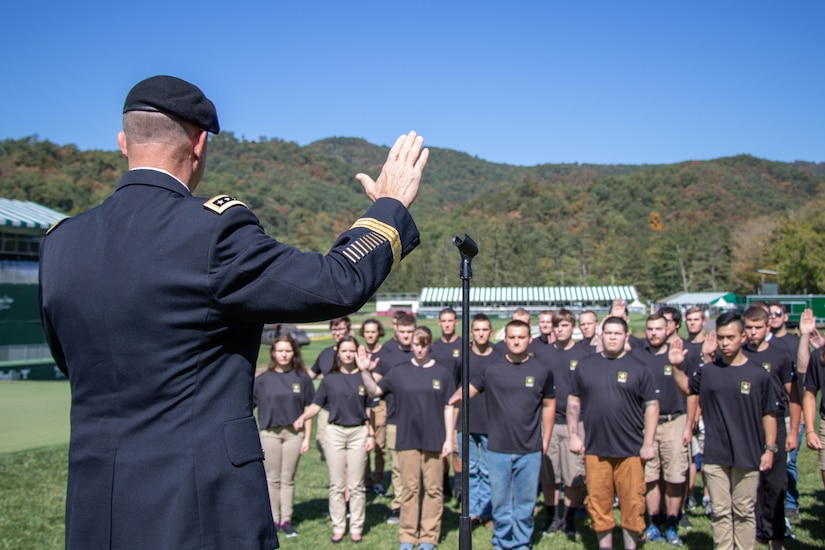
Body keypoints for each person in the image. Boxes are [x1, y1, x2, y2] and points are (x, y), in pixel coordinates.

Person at [38, 75, 429, 550]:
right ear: (199, 144)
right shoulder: (210, 231)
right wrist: (388, 208)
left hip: (97, 506)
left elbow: (70, 359)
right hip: (199, 507)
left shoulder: (60, 243)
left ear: (124, 142)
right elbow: (335, 283)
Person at [670, 312, 778, 550]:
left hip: (747, 454)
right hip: (715, 455)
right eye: (721, 338)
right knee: (720, 512)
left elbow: (769, 414)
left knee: (743, 511)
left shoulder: (758, 375)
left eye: (730, 337)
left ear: (742, 337)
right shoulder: (709, 371)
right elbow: (688, 388)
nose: (725, 343)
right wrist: (676, 367)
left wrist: (769, 449)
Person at [451, 320, 556, 550]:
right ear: (505, 339)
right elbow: (471, 388)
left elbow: (549, 405)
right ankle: (501, 541)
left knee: (525, 503)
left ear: (529, 339)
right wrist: (454, 397)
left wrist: (545, 440)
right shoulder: (492, 369)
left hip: (529, 449)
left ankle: (521, 543)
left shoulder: (541, 370)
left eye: (521, 337)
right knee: (500, 502)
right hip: (497, 448)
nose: (517, 341)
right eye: (512, 337)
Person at [568, 316, 659, 550]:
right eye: (608, 333)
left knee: (633, 503)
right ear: (601, 335)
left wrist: (648, 443)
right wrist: (574, 435)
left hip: (630, 449)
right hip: (596, 449)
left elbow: (651, 405)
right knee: (598, 503)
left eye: (618, 334)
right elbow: (573, 400)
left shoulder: (639, 368)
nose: (612, 337)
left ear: (626, 337)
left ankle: (631, 546)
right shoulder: (586, 365)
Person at [359, 327, 455, 550]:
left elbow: (449, 407)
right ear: (410, 345)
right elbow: (374, 391)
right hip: (407, 439)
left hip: (434, 438)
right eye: (416, 344)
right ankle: (408, 536)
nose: (420, 349)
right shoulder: (399, 372)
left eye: (424, 344)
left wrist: (449, 439)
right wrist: (364, 371)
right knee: (409, 488)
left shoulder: (442, 373)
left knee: (433, 489)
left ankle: (429, 537)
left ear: (430, 344)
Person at [294, 336, 374, 544]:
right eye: (344, 351)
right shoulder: (329, 379)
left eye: (351, 351)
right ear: (338, 353)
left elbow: (370, 409)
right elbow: (316, 405)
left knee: (357, 485)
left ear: (357, 353)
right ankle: (338, 526)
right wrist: (303, 416)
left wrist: (371, 434)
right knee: (337, 485)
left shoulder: (364, 377)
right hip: (335, 433)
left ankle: (356, 527)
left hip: (358, 432)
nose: (348, 354)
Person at [632, 313, 694, 547]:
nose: (654, 333)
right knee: (649, 476)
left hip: (674, 421)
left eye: (658, 328)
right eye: (649, 329)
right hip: (646, 425)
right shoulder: (637, 355)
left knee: (675, 476)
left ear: (668, 328)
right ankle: (653, 520)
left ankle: (672, 522)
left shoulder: (678, 352)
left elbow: (691, 392)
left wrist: (689, 426)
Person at [741, 306, 799, 548]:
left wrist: (794, 431)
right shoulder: (738, 355)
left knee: (775, 484)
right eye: (749, 328)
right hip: (746, 426)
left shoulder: (781, 356)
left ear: (767, 328)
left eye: (758, 328)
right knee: (750, 484)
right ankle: (752, 533)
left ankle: (775, 536)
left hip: (775, 423)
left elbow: (793, 395)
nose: (753, 332)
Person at [538, 308, 593, 539]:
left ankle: (569, 518)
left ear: (573, 327)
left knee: (572, 475)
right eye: (556, 325)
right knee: (550, 475)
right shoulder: (543, 353)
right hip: (549, 422)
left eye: (564, 325)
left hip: (575, 423)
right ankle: (552, 517)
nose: (560, 329)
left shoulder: (584, 353)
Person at [254, 336, 315, 538]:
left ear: (294, 352)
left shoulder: (302, 378)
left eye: (288, 350)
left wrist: (306, 438)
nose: (284, 354)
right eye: (280, 350)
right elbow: (248, 406)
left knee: (287, 479)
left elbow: (308, 409)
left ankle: (286, 519)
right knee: (273, 478)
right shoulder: (262, 380)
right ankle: (273, 518)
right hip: (270, 433)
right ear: (273, 352)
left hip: (293, 435)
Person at [374, 312, 417, 523]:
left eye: (410, 332)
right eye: (403, 332)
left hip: (420, 421)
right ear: (396, 331)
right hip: (395, 420)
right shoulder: (387, 356)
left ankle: (415, 504)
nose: (407, 336)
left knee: (419, 467)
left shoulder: (423, 353)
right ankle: (398, 506)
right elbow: (374, 387)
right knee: (398, 468)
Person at [457, 313, 495, 525]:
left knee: (488, 471)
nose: (481, 334)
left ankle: (487, 511)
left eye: (484, 330)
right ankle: (471, 512)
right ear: (471, 332)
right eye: (477, 330)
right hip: (467, 422)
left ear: (491, 332)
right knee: (470, 470)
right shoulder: (463, 356)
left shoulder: (499, 356)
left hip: (491, 422)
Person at [430, 306, 462, 503]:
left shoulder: (463, 345)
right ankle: (444, 485)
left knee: (457, 448)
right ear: (439, 323)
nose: (448, 324)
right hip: (437, 405)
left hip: (457, 405)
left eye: (451, 321)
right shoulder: (433, 347)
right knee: (441, 447)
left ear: (456, 323)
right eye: (444, 321)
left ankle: (459, 488)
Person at [309, 317, 352, 461]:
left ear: (348, 330)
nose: (337, 333)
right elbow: (312, 374)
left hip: (349, 407)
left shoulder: (354, 352)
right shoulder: (325, 354)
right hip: (327, 408)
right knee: (322, 440)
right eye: (334, 329)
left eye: (341, 329)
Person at [360, 318, 388, 494]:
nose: (370, 335)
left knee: (380, 446)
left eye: (373, 331)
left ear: (379, 333)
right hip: (360, 404)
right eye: (367, 332)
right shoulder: (358, 352)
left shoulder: (385, 353)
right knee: (362, 446)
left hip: (379, 405)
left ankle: (378, 480)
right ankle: (365, 480)